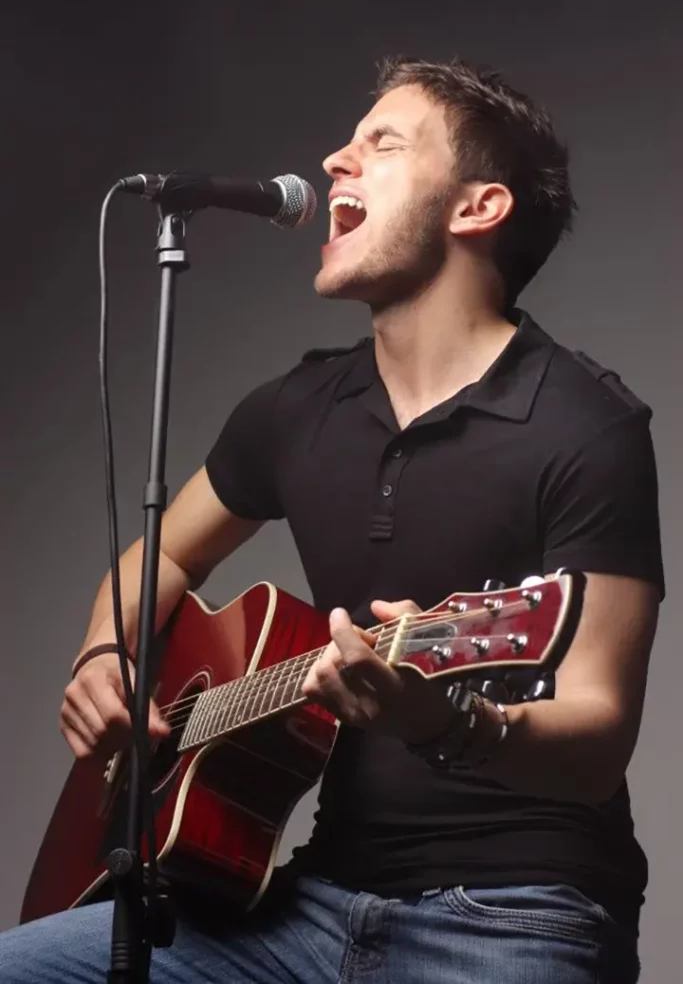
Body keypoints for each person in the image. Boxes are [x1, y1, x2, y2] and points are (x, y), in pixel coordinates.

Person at [0, 56, 664, 983]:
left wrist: (446, 723)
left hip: (515, 918)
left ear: (477, 208)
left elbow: (596, 738)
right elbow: (149, 565)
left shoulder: (584, 426)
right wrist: (101, 659)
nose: (331, 161)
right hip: (309, 906)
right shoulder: (294, 409)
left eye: (380, 143)